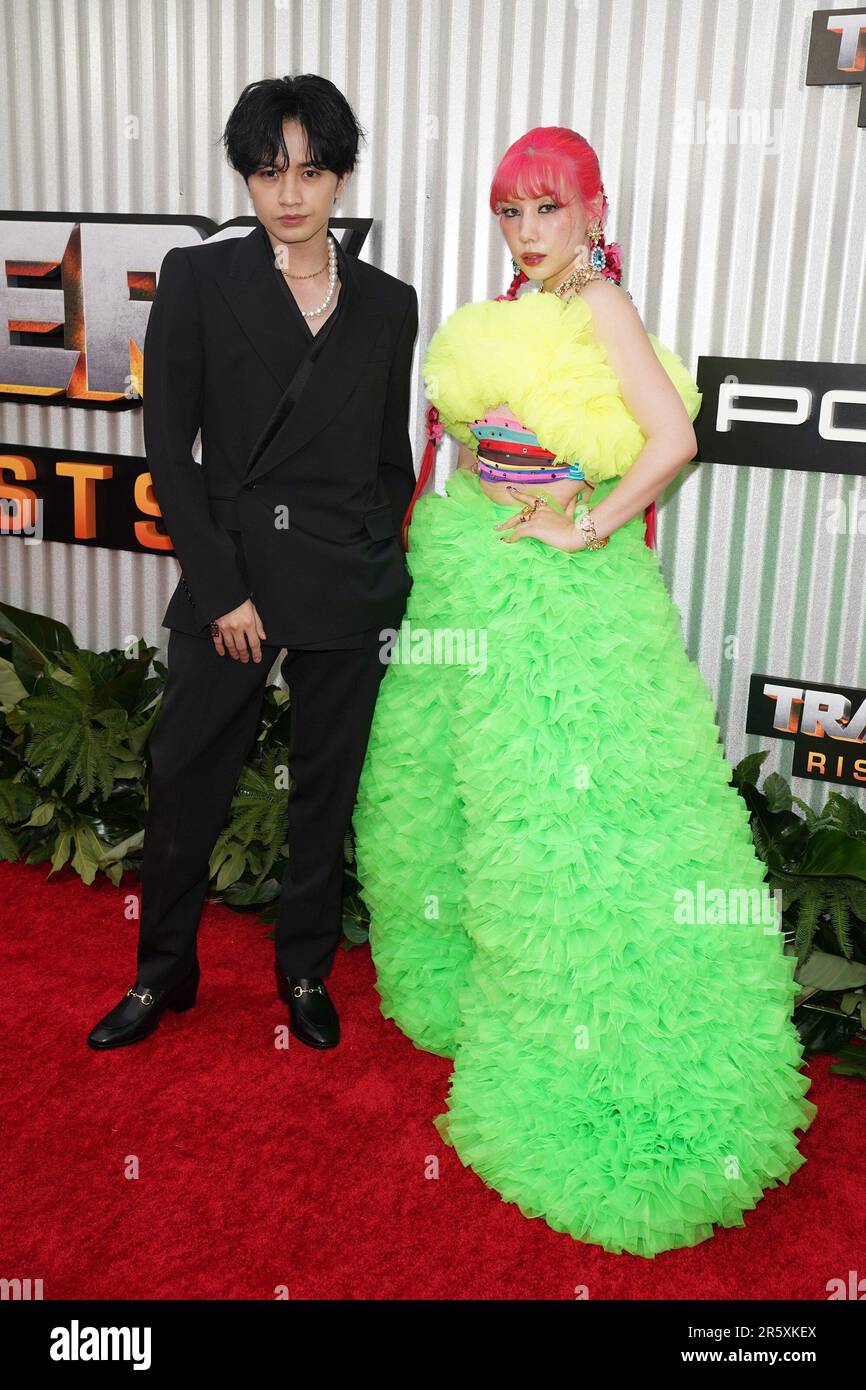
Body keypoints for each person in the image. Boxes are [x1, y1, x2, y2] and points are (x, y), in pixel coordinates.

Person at [351, 126, 816, 1257]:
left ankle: (589, 1033)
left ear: (593, 214)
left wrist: (586, 526)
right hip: (469, 573)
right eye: (509, 211)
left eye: (547, 210)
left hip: (555, 599)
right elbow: (473, 445)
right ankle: (468, 978)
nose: (527, 232)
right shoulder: (504, 310)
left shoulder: (601, 307)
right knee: (459, 799)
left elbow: (672, 438)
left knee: (565, 816)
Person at [88, 74, 417, 1053]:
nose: (289, 193)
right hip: (233, 577)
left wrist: (374, 565)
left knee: (325, 785)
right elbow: (167, 445)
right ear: (244, 175)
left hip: (340, 588)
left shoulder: (386, 304)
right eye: (269, 171)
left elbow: (385, 457)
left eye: (310, 171)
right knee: (184, 776)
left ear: (339, 176)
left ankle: (305, 970)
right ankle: (161, 974)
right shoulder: (198, 277)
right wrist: (222, 584)